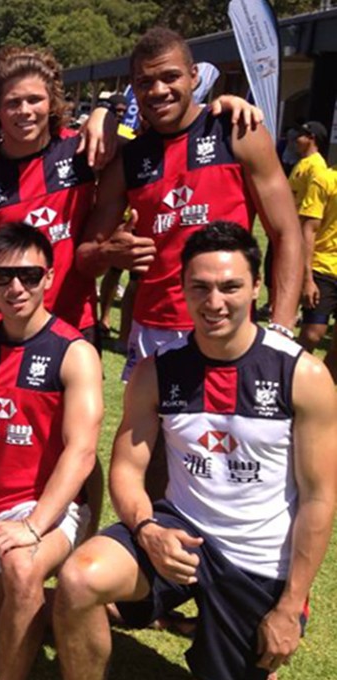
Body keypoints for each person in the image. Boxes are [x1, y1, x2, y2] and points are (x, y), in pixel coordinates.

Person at [54, 221, 337, 680]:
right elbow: (127, 468)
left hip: (259, 558)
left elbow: (320, 498)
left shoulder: (302, 376)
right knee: (79, 577)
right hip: (179, 532)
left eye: (230, 287)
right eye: (200, 287)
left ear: (256, 287)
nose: (214, 302)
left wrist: (288, 605)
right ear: (183, 287)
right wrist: (147, 529)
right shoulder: (157, 372)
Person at [75, 27, 302, 381]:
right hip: (152, 331)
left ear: (194, 76)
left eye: (170, 77)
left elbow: (287, 233)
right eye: (145, 82)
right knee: (146, 437)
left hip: (229, 327)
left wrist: (283, 329)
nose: (159, 90)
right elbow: (85, 257)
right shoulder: (128, 160)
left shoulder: (237, 131)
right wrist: (108, 253)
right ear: (134, 89)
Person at [0, 223, 102, 680]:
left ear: (49, 278)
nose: (16, 287)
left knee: (20, 570)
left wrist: (33, 526)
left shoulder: (74, 352)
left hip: (54, 505)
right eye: (3, 277)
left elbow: (83, 451)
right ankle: (79, 602)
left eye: (30, 276)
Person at [0, 46, 104, 340]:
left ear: (52, 102)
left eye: (35, 100)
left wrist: (102, 113)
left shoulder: (83, 152)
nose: (25, 111)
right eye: (13, 102)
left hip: (74, 324)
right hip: (4, 330)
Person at [297, 161, 337, 377]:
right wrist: (307, 277)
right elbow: (309, 229)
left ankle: (324, 396)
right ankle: (293, 381)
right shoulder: (324, 179)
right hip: (323, 267)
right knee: (312, 334)